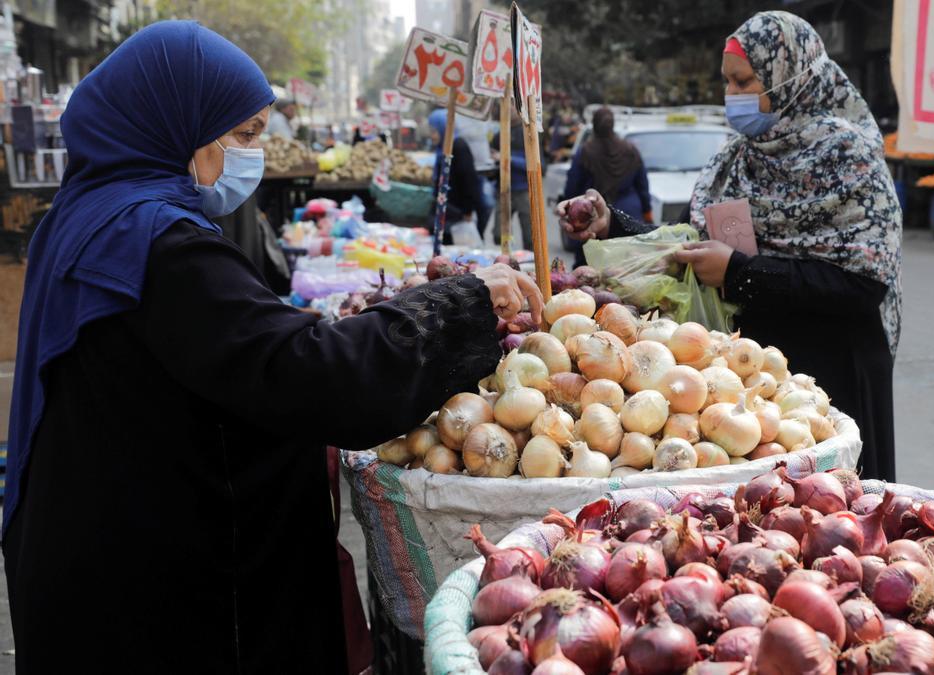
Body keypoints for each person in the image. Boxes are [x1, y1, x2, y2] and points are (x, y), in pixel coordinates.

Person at [3, 21, 542, 674]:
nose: (254, 155)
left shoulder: (82, 214)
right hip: (162, 593)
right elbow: (315, 377)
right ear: (181, 122)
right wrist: (463, 305)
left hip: (98, 555)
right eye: (245, 134)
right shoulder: (158, 243)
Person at [557, 12, 901, 481]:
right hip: (745, 387)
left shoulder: (850, 158)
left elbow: (864, 286)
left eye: (743, 81)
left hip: (830, 377)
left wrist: (740, 272)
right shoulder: (733, 160)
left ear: (792, 80)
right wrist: (611, 224)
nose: (732, 96)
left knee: (835, 520)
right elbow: (688, 246)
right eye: (727, 82)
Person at [562, 107, 652, 266]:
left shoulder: (585, 152)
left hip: (591, 218)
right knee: (628, 270)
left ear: (594, 125)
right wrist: (647, 211)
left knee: (588, 275)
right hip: (628, 216)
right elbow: (642, 186)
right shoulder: (631, 150)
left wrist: (571, 208)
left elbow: (572, 186)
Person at [429, 108, 490, 243]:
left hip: (458, 213)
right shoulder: (442, 148)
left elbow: (469, 181)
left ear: (444, 128)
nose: (432, 135)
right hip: (448, 210)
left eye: (434, 131)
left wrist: (467, 211)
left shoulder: (458, 147)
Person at [491, 103, 540, 250]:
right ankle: (508, 259)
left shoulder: (529, 133)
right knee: (500, 235)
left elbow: (537, 164)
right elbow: (493, 160)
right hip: (504, 189)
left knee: (530, 237)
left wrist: (507, 158)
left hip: (525, 190)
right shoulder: (499, 134)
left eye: (513, 104)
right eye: (508, 104)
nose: (510, 108)